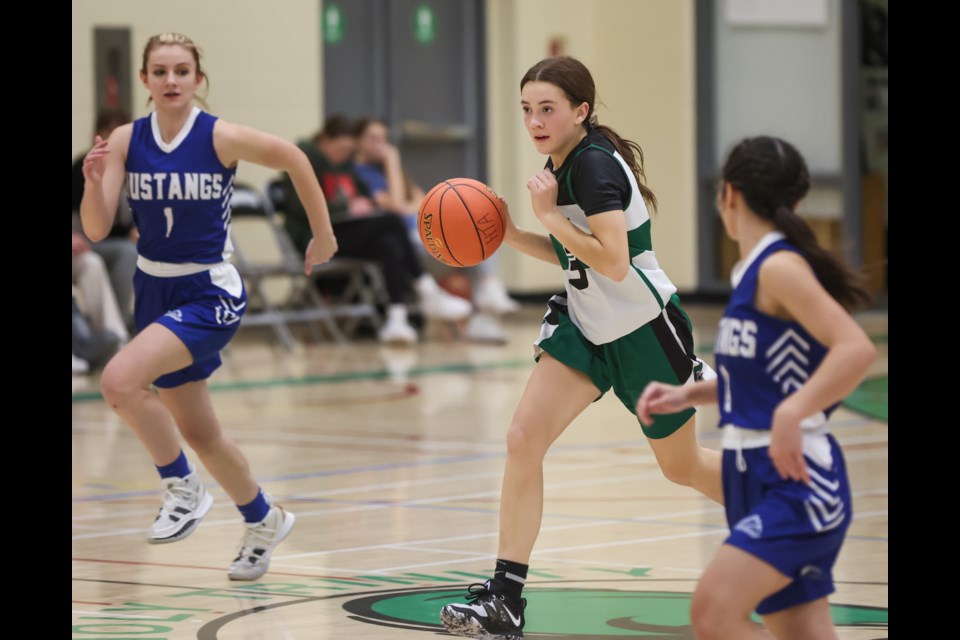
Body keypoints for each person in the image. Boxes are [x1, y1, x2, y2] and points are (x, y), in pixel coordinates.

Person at [438, 56, 721, 639]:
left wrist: (544, 215)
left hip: (643, 330)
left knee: (682, 468)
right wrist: (513, 234)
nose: (535, 120)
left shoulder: (592, 167)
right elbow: (576, 254)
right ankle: (505, 598)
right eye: (526, 110)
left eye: (548, 109)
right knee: (523, 440)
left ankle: (782, 511)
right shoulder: (564, 159)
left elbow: (614, 261)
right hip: (588, 326)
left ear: (580, 111)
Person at [79, 32, 338, 580]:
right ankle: (263, 518)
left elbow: (293, 157)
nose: (171, 80)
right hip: (153, 291)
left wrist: (323, 233)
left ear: (199, 79)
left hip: (208, 292)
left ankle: (182, 487)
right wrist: (95, 182)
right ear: (145, 81)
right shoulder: (127, 139)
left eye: (181, 70)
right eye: (159, 71)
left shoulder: (219, 136)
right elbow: (98, 228)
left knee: (119, 382)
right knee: (201, 432)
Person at [637, 136, 876, 639]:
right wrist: (687, 394)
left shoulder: (778, 267)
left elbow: (855, 349)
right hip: (752, 477)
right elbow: (760, 378)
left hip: (797, 481)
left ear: (729, 195)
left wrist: (793, 411)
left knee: (713, 613)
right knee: (799, 632)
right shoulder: (750, 269)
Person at [281, 115, 472, 345]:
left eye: (348, 150)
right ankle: (427, 291)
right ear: (324, 141)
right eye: (340, 149)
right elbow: (300, 207)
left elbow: (364, 194)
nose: (344, 155)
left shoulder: (344, 164)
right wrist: (345, 206)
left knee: (389, 244)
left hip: (345, 231)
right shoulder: (305, 160)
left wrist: (364, 204)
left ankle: (397, 319)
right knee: (391, 220)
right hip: (316, 239)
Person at [352, 117, 521, 343]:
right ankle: (480, 299)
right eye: (373, 138)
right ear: (358, 141)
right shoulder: (360, 173)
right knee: (469, 248)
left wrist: (406, 202)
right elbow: (397, 206)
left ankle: (485, 308)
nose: (380, 145)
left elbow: (421, 202)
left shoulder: (395, 172)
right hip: (408, 247)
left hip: (422, 232)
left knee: (482, 232)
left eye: (383, 139)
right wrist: (392, 162)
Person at [73, 107, 140, 333]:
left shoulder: (135, 169)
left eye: (119, 130)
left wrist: (138, 228)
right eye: (108, 130)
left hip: (114, 243)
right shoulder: (84, 165)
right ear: (97, 133)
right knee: (111, 258)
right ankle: (115, 329)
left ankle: (121, 325)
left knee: (133, 252)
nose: (114, 137)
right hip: (85, 239)